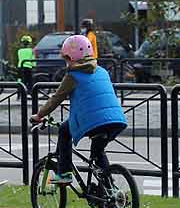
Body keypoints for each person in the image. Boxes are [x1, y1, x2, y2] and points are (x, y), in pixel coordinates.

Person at [29, 34, 127, 186]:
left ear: (73, 57)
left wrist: (39, 115)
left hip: (93, 120)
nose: (66, 62)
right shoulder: (102, 71)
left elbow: (56, 99)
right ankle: (110, 191)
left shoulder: (73, 76)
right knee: (98, 151)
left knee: (64, 131)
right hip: (116, 119)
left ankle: (64, 175)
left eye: (66, 58)